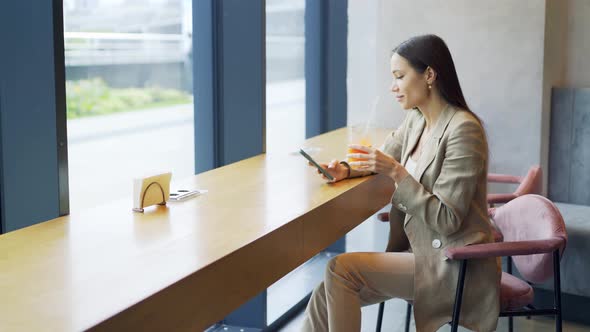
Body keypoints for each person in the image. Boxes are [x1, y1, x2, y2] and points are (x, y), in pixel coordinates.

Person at [302, 34, 500, 332]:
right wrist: (345, 169)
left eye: (399, 76)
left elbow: (448, 219)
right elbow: (381, 157)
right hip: (418, 252)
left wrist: (397, 173)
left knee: (340, 270)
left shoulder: (464, 130)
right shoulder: (417, 120)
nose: (393, 87)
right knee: (323, 295)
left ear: (430, 75)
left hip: (452, 263)